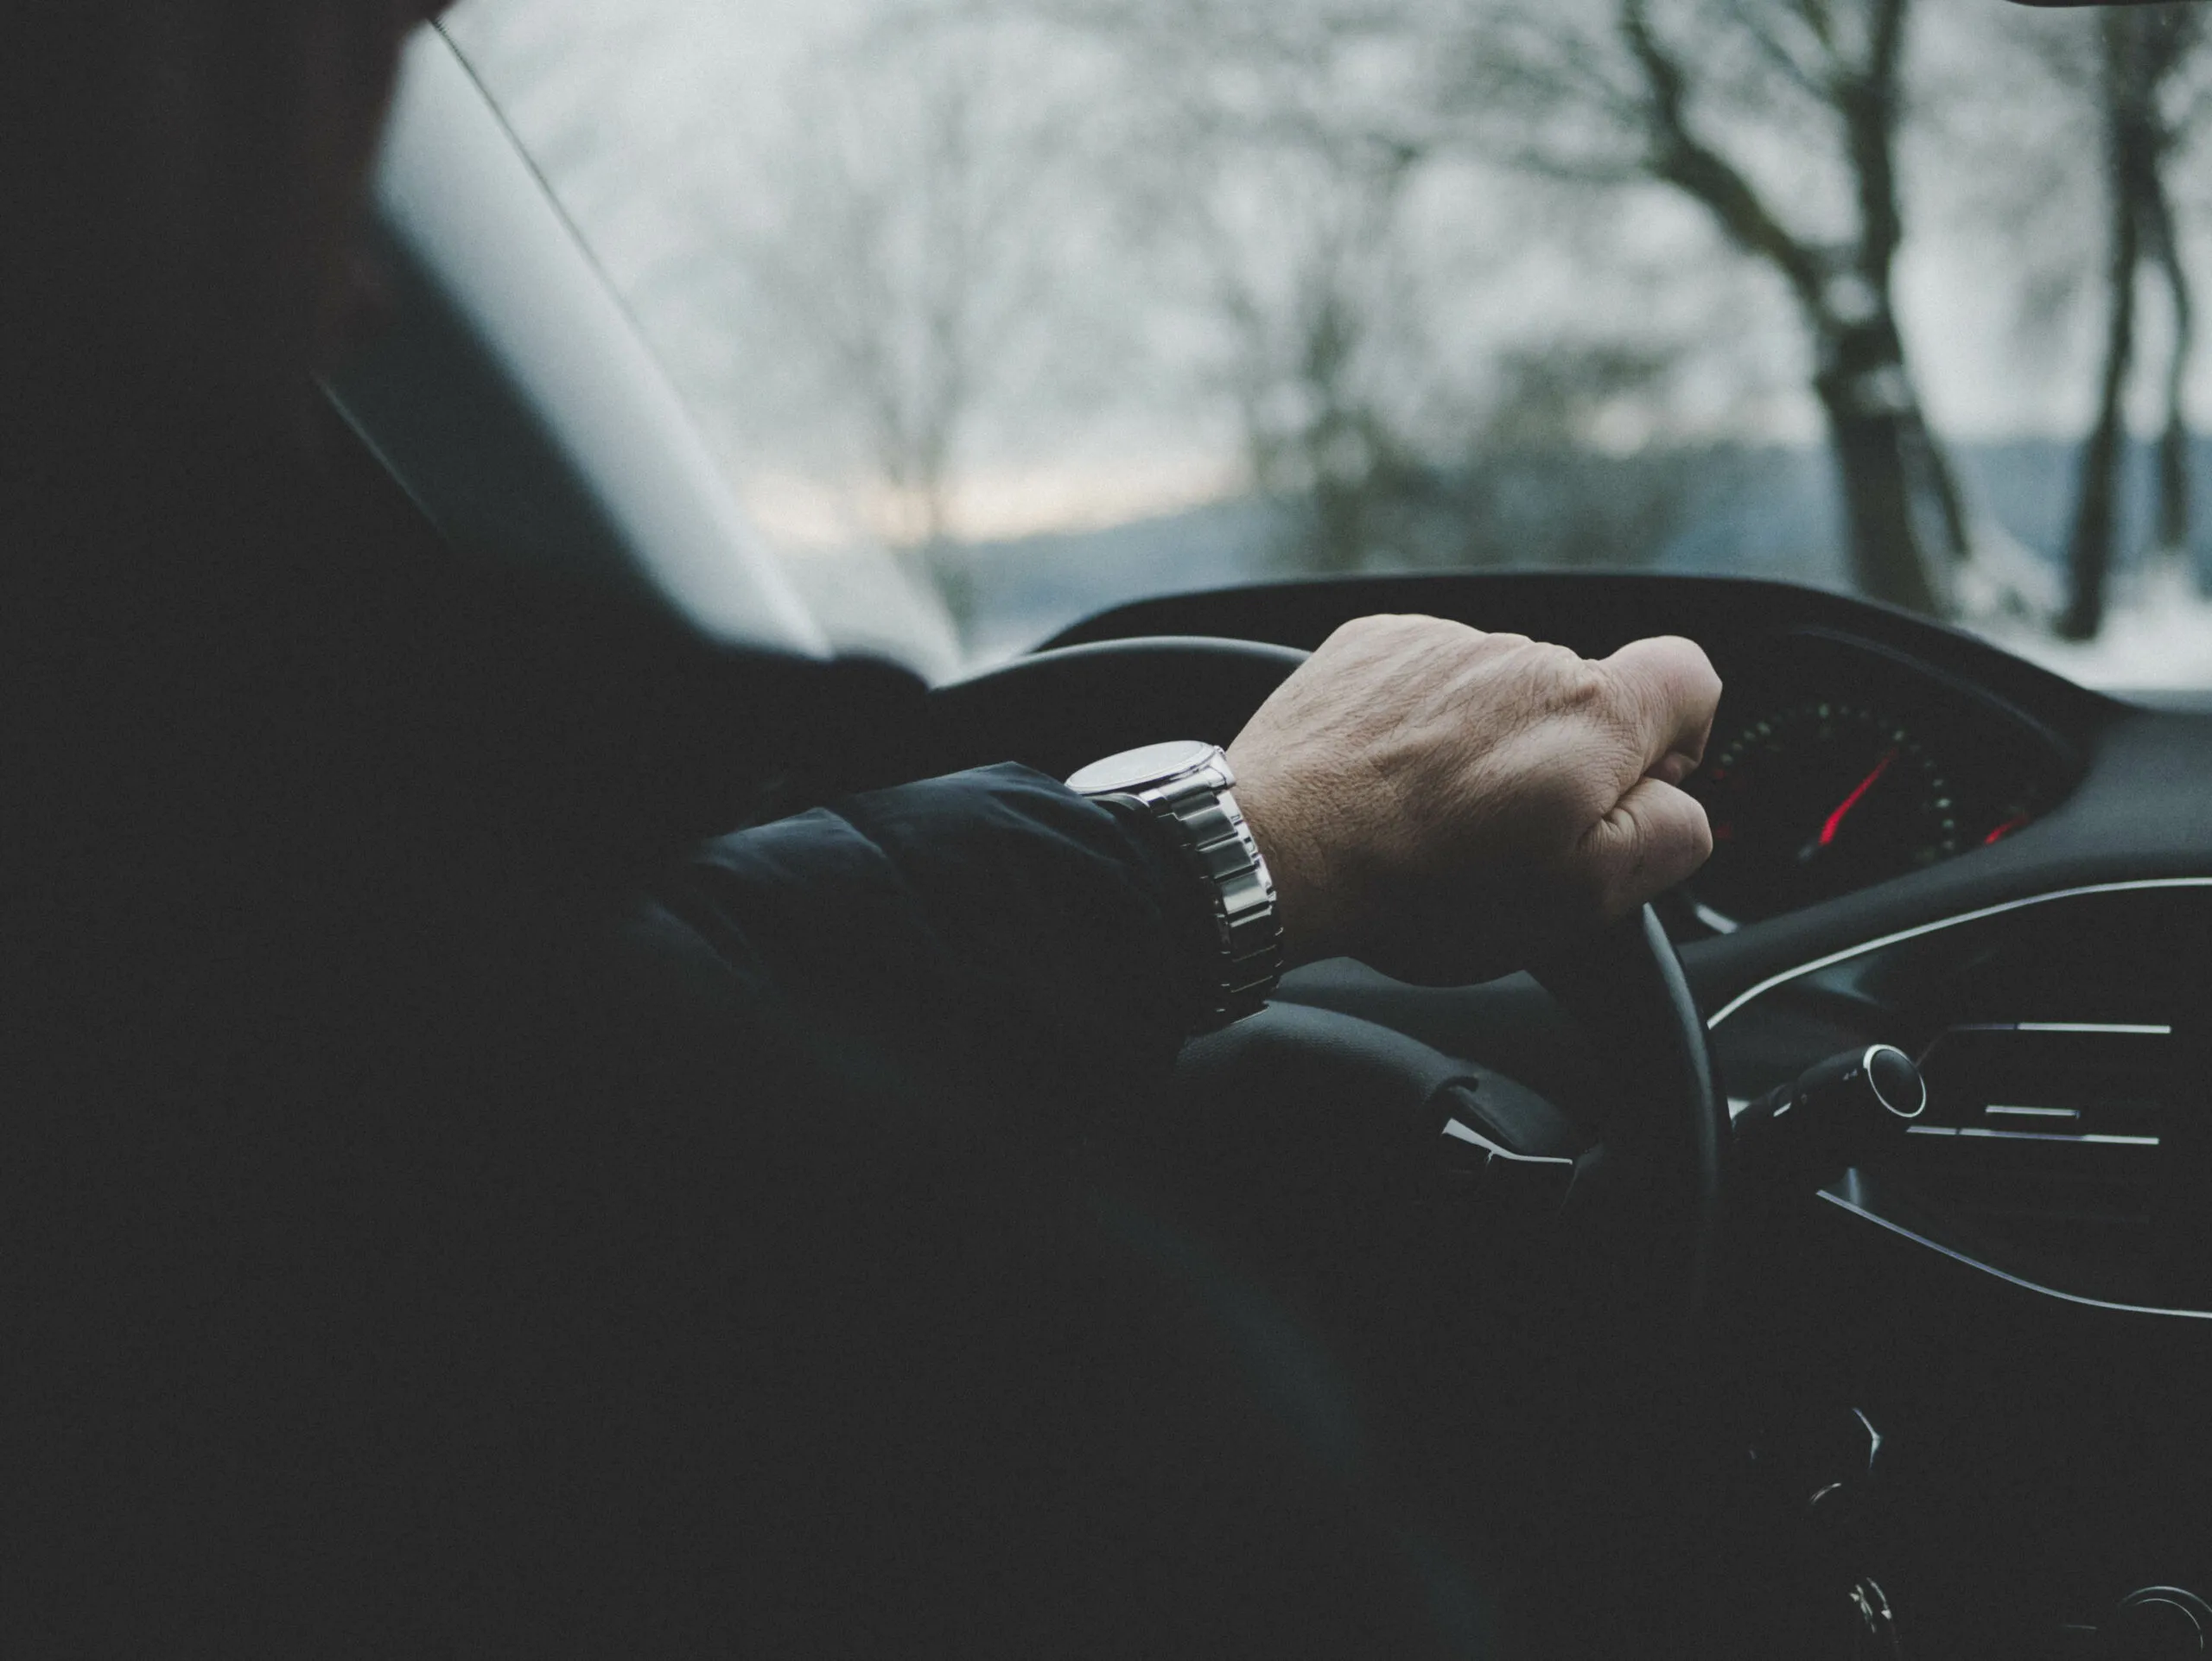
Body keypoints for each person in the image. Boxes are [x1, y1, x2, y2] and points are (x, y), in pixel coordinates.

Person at [1, 2, 1720, 1651]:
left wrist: (1250, 836)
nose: (359, 287)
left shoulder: (196, 1024)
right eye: (349, 43)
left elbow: (656, 986)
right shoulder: (888, 1377)